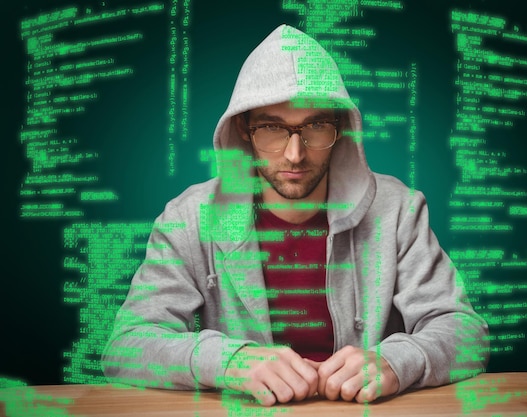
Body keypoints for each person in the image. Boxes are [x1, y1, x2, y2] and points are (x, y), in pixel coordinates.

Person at [102, 24, 489, 406]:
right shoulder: (188, 219)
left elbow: (468, 334)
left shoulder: (399, 210)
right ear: (243, 129)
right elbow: (126, 348)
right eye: (271, 127)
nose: (294, 154)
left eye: (315, 126)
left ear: (340, 126)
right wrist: (229, 362)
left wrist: (394, 362)